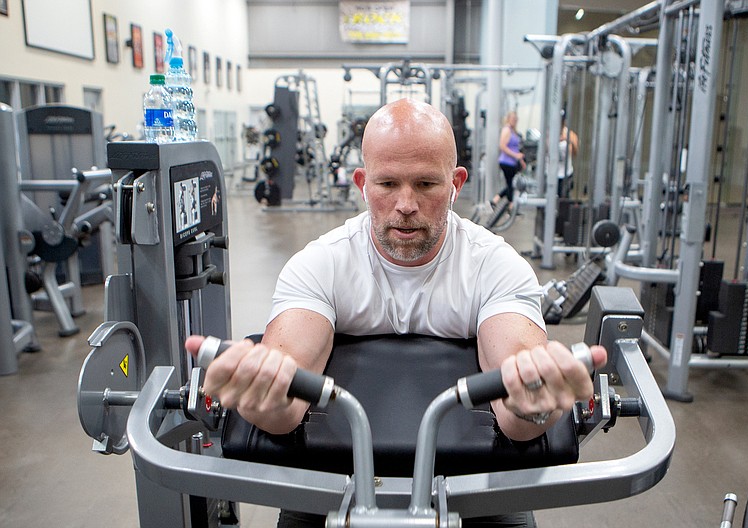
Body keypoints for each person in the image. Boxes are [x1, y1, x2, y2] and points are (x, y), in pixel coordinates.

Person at [185, 98, 606, 527]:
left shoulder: (495, 266)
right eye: (387, 185)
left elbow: (516, 400)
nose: (406, 204)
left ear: (456, 183)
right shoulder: (321, 264)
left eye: (426, 184)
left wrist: (532, 404)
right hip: (332, 482)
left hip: (474, 486)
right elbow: (287, 398)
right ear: (362, 183)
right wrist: (263, 399)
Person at [491, 111, 526, 208]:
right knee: (511, 185)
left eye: (516, 119)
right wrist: (515, 155)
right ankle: (510, 206)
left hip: (512, 162)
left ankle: (496, 200)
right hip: (507, 162)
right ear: (508, 119)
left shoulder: (513, 131)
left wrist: (521, 161)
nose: (514, 121)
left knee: (511, 185)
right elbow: (502, 146)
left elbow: (516, 149)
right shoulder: (507, 130)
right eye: (513, 119)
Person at [558, 115, 579, 198]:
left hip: (566, 172)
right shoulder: (551, 132)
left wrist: (568, 140)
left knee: (564, 197)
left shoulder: (570, 134)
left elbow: (574, 152)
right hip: (552, 171)